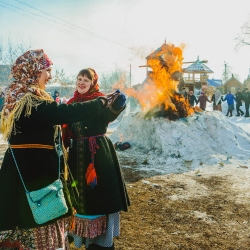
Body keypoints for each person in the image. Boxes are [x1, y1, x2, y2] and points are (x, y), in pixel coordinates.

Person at [0, 50, 109, 250]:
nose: (50, 76)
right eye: (46, 71)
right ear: (33, 71)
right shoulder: (29, 101)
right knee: (38, 218)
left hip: (24, 170)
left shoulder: (20, 96)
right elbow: (63, 113)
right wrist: (99, 103)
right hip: (33, 173)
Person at [62, 68, 130, 250]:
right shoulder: (70, 103)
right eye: (79, 79)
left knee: (100, 199)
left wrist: (117, 105)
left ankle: (100, 243)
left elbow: (110, 114)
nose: (82, 82)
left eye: (86, 79)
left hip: (98, 157)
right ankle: (81, 238)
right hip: (76, 157)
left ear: (92, 83)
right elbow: (64, 129)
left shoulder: (100, 100)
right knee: (79, 199)